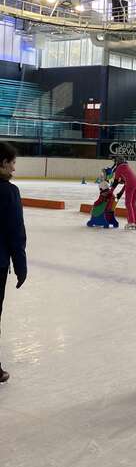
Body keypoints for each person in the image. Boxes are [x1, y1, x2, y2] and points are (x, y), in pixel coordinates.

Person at [0, 141, 27, 383]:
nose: (13, 169)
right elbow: (15, 232)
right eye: (11, 163)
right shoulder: (8, 192)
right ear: (2, 163)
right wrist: (21, 266)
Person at [111, 158, 136, 230]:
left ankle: (131, 222)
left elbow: (116, 181)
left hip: (130, 184)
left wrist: (111, 190)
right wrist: (121, 192)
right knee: (133, 203)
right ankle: (135, 221)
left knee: (128, 203)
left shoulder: (119, 168)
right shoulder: (127, 167)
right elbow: (126, 181)